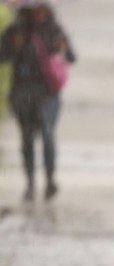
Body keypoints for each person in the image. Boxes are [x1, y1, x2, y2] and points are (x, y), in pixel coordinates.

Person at [0, 0, 76, 201]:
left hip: (48, 94)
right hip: (22, 93)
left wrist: (64, 47)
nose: (38, 12)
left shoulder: (53, 29)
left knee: (47, 134)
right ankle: (30, 184)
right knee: (26, 139)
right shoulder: (15, 30)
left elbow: (71, 57)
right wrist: (13, 46)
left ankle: (50, 180)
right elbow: (2, 57)